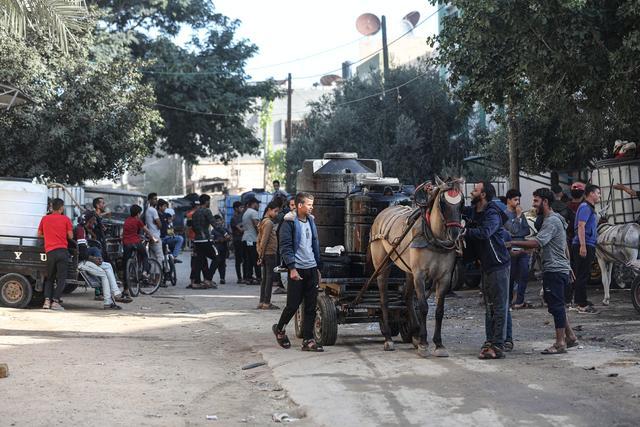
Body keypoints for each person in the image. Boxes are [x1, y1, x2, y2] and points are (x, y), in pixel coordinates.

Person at [508, 188, 579, 354]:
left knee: (557, 306)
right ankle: (571, 337)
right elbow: (559, 245)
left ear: (545, 202)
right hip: (557, 268)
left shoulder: (551, 221)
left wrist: (512, 243)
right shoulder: (555, 219)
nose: (533, 205)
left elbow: (538, 243)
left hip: (554, 269)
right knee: (557, 305)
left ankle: (560, 343)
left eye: (536, 201)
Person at [465, 182, 511, 360]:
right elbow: (459, 209)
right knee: (489, 307)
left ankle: (497, 346)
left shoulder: (492, 213)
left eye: (475, 190)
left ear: (483, 195)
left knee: (499, 306)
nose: (472, 192)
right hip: (486, 266)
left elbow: (485, 233)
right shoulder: (474, 211)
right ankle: (490, 341)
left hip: (498, 265)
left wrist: (464, 231)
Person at [273, 192, 323, 352]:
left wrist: (318, 267)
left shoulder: (311, 221)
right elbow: (285, 247)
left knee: (310, 306)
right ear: (300, 205)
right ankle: (280, 329)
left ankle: (308, 340)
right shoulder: (288, 222)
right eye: (309, 204)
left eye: (312, 204)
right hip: (297, 270)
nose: (311, 207)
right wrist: (292, 268)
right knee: (293, 305)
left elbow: (314, 244)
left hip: (311, 268)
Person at [75, 212, 130, 309]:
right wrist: (93, 259)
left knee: (108, 266)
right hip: (80, 262)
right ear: (89, 221)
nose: (95, 222)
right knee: (104, 273)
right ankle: (108, 302)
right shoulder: (80, 231)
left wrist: (94, 258)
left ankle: (116, 294)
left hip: (84, 260)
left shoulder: (82, 229)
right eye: (94, 220)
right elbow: (83, 253)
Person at [570, 184, 601, 313]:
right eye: (598, 193)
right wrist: (583, 246)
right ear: (591, 194)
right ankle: (581, 305)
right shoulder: (585, 207)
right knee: (582, 275)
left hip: (588, 243)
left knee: (583, 274)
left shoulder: (589, 208)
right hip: (583, 244)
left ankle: (580, 299)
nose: (599, 195)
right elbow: (581, 226)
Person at [38, 198, 73, 311]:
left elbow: (39, 235)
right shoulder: (66, 219)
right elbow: (71, 236)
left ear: (52, 207)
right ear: (62, 208)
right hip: (62, 251)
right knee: (61, 278)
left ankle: (47, 301)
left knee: (50, 278)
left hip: (50, 252)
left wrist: (49, 236)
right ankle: (56, 301)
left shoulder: (45, 219)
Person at [503, 189, 532, 309]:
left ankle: (520, 300)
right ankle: (508, 301)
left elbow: (527, 230)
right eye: (515, 200)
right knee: (511, 276)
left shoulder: (521, 214)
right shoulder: (504, 215)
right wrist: (518, 217)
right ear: (508, 200)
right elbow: (513, 230)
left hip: (523, 246)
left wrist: (518, 222)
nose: (517, 202)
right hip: (511, 248)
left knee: (524, 274)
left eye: (518, 200)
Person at [122, 204, 157, 288]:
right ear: (138, 213)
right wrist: (153, 238)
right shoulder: (138, 221)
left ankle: (126, 288)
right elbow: (146, 230)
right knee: (144, 256)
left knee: (125, 263)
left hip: (126, 243)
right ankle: (144, 272)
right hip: (136, 242)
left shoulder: (126, 220)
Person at [191, 194, 218, 289]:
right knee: (217, 257)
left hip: (197, 240)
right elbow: (214, 224)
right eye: (209, 201)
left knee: (200, 261)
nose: (209, 203)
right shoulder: (207, 211)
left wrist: (199, 233)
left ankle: (197, 282)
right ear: (206, 201)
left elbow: (193, 227)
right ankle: (208, 279)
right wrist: (224, 233)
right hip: (205, 240)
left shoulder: (194, 213)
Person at [257, 202, 281, 309]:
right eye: (275, 211)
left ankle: (262, 302)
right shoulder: (269, 223)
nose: (276, 214)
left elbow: (259, 240)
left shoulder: (263, 222)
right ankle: (266, 302)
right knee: (269, 278)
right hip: (269, 253)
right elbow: (264, 240)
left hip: (265, 253)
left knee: (265, 278)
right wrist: (261, 255)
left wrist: (260, 254)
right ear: (269, 210)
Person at [242, 197, 261, 284]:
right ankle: (258, 277)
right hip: (252, 239)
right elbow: (257, 225)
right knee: (255, 259)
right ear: (254, 203)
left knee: (248, 259)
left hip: (245, 239)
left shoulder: (246, 212)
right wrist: (261, 236)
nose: (259, 206)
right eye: (257, 204)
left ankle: (248, 277)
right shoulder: (253, 212)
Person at [211, 215, 231, 284]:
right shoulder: (213, 231)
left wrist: (224, 239)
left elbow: (230, 238)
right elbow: (212, 240)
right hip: (216, 249)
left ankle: (222, 278)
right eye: (216, 221)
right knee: (215, 263)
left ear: (222, 221)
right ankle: (209, 278)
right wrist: (218, 241)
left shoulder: (225, 230)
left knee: (222, 263)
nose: (218, 222)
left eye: (219, 220)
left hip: (224, 248)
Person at [185, 200, 201, 287]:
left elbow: (187, 228)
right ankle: (194, 280)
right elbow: (189, 227)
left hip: (194, 239)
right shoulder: (192, 214)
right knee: (196, 259)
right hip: (196, 239)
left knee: (196, 259)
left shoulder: (190, 214)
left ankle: (195, 279)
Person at [145, 193, 164, 265]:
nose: (156, 200)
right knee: (159, 257)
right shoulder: (153, 210)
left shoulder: (147, 210)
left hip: (150, 236)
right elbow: (160, 225)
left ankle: (153, 275)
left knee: (152, 257)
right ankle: (159, 275)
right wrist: (157, 223)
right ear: (149, 200)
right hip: (155, 236)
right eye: (154, 199)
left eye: (156, 199)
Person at [91, 197, 111, 262]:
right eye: (102, 203)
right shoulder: (94, 214)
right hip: (97, 240)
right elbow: (89, 226)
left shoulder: (99, 216)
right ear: (97, 205)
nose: (104, 205)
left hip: (102, 239)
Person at [230, 201, 245, 284]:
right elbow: (241, 229)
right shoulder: (233, 218)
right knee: (238, 260)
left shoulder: (242, 216)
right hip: (237, 241)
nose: (242, 209)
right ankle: (239, 277)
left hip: (243, 240)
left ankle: (245, 276)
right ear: (236, 208)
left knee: (244, 259)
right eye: (240, 207)